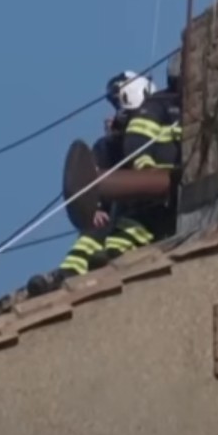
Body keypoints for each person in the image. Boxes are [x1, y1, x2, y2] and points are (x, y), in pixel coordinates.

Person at [27, 70, 180, 296]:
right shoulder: (109, 144)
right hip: (119, 214)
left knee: (126, 234)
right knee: (89, 238)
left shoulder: (158, 115)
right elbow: (99, 169)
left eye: (120, 105)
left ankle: (107, 261)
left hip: (152, 213)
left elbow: (142, 153)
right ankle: (64, 274)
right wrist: (96, 208)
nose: (116, 114)